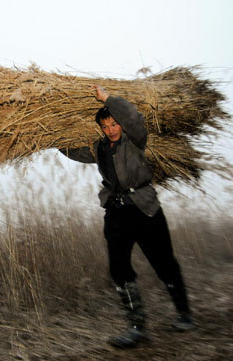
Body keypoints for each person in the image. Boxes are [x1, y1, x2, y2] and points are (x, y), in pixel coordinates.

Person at [60, 85, 194, 348]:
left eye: (114, 124)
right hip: (117, 212)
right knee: (118, 269)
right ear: (101, 128)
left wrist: (107, 98)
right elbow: (72, 152)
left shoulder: (134, 139)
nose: (111, 129)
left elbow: (133, 117)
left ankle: (184, 314)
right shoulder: (98, 148)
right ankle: (137, 327)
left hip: (145, 209)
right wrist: (49, 138)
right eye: (106, 126)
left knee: (164, 262)